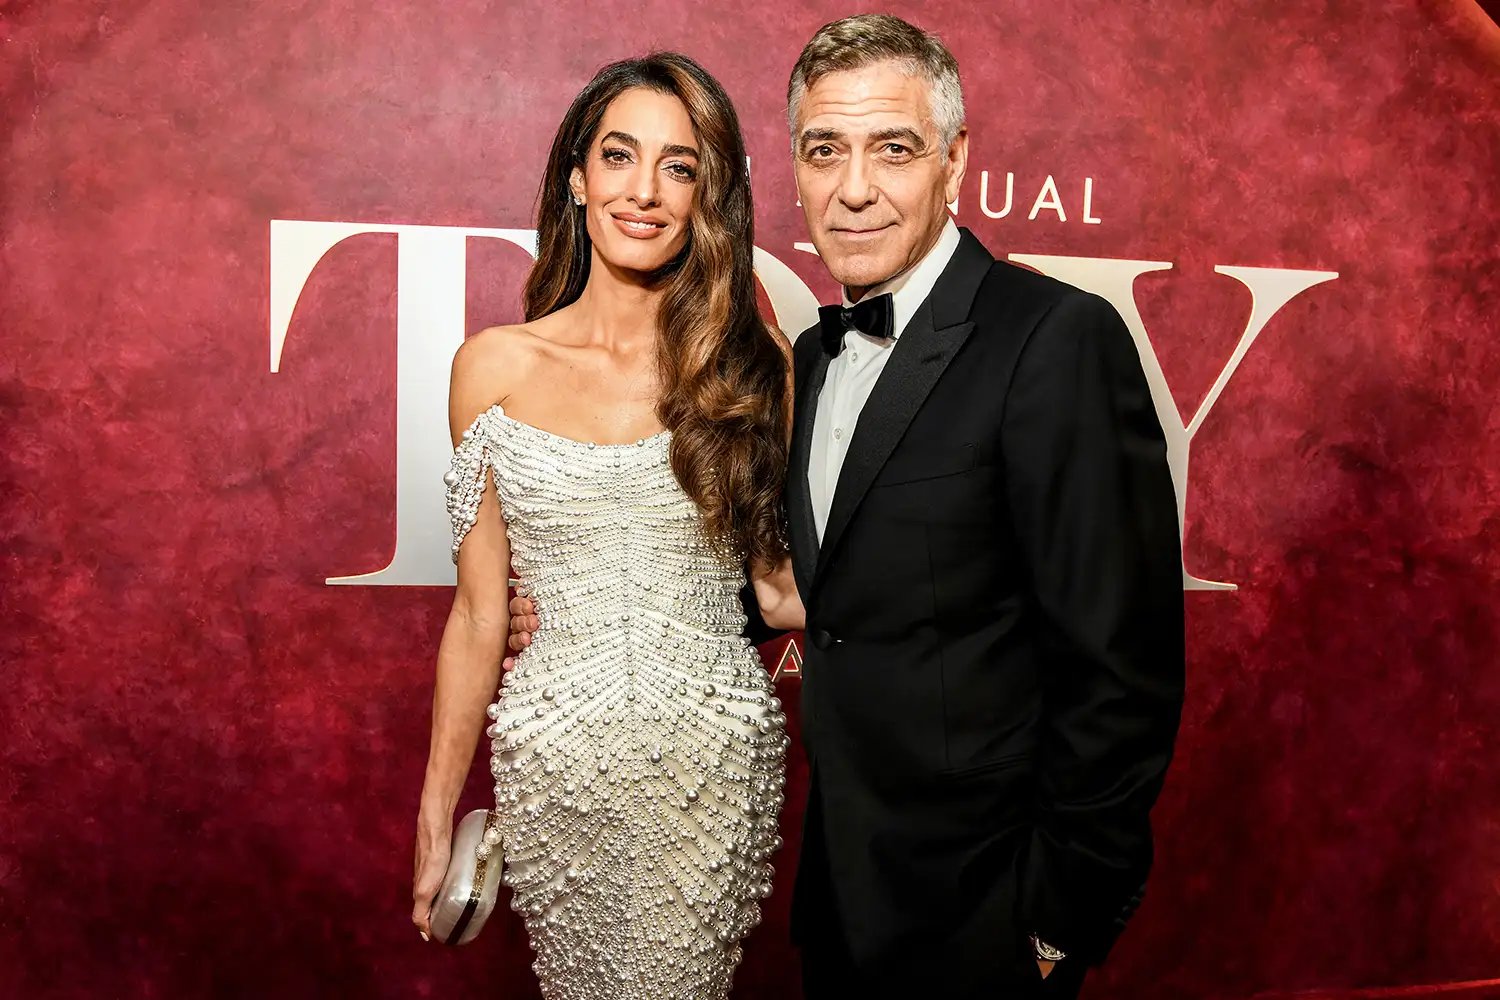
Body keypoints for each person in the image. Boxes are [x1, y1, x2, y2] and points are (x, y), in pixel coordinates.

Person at [509, 14, 1185, 999]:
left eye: (893, 150)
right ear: (796, 167)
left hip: (987, 920)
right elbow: (819, 590)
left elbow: (1122, 669)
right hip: (839, 901)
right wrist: (593, 612)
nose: (854, 188)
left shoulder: (1054, 341)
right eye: (825, 150)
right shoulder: (811, 359)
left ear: (955, 162)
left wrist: (1055, 922)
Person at [410, 52, 793, 1000]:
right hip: (551, 756)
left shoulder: (756, 366)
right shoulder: (492, 367)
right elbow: (479, 613)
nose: (644, 191)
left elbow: (783, 592)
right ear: (577, 178)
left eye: (679, 166)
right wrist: (435, 809)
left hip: (709, 761)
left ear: (707, 197)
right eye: (619, 156)